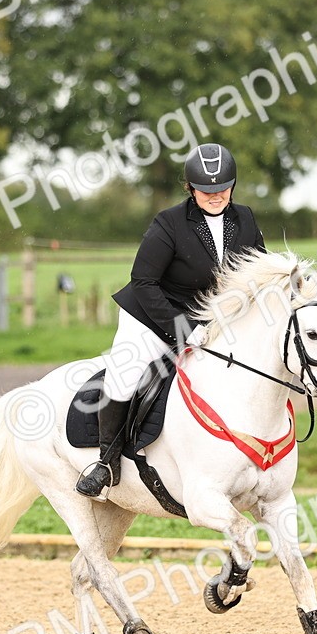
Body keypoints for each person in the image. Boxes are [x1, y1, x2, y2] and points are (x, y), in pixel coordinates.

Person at [76, 142, 267, 500]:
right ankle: (105, 463)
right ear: (191, 188)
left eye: (222, 188)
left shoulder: (246, 220)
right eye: (206, 189)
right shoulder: (170, 222)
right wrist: (181, 329)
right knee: (124, 375)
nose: (215, 195)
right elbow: (143, 282)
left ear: (233, 185)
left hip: (210, 320)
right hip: (151, 314)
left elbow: (259, 274)